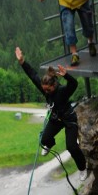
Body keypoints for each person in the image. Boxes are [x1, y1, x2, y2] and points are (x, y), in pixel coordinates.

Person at [15, 47, 87, 181]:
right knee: (44, 140)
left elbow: (74, 84)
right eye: (44, 90)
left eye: (48, 90)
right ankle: (50, 144)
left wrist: (66, 75)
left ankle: (82, 168)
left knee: (72, 147)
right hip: (56, 119)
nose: (45, 92)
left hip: (68, 119)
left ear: (54, 85)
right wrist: (22, 62)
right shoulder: (46, 89)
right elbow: (32, 75)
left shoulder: (62, 91)